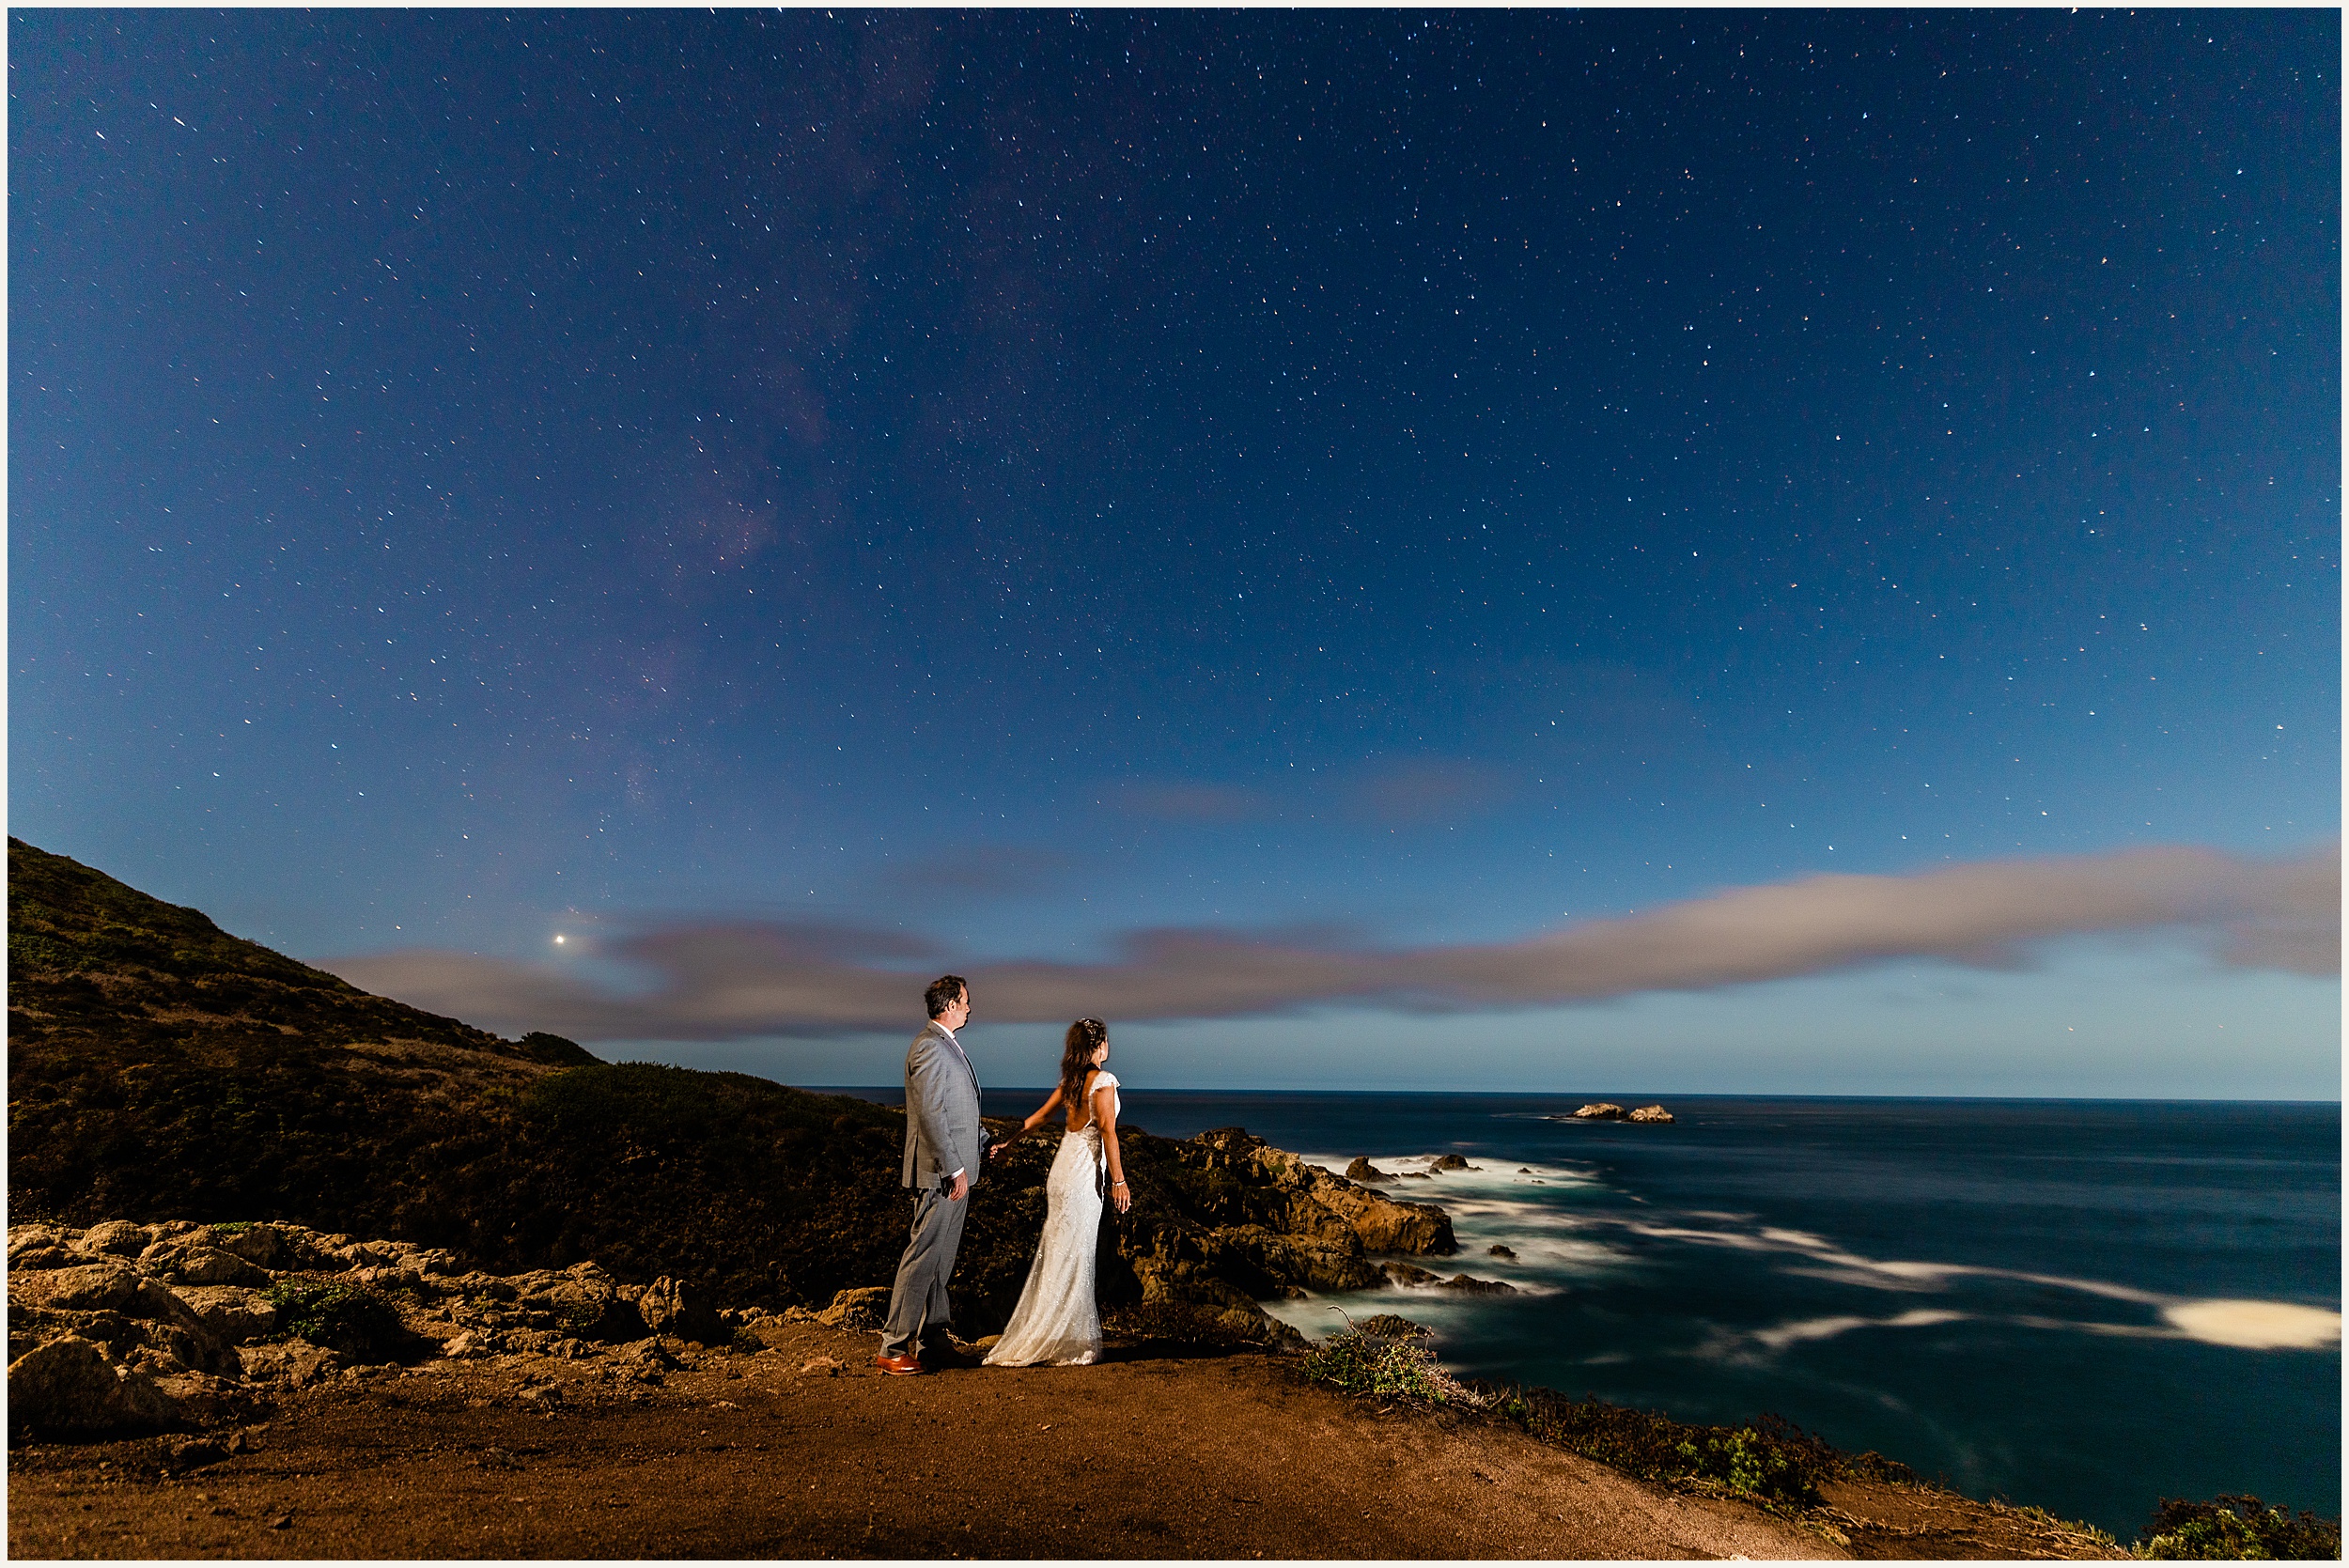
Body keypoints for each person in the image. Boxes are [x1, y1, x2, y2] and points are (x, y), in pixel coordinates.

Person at [982, 1017, 1129, 1368]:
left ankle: (1051, 1333)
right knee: (1076, 1255)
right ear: (1099, 1047)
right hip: (1082, 1177)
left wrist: (1008, 1144)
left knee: (1058, 1252)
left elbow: (1039, 1118)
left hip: (1061, 1171)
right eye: (1106, 1042)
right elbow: (1108, 1133)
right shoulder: (1104, 1082)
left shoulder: (1072, 1082)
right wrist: (1119, 1181)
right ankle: (1068, 1340)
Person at [875, 974, 983, 1375]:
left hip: (959, 1172)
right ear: (950, 1005)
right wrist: (953, 1168)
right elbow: (931, 1115)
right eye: (966, 1001)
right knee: (922, 1257)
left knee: (942, 1260)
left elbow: (957, 1109)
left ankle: (932, 1340)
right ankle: (892, 1346)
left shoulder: (945, 1046)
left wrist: (984, 1141)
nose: (970, 1008)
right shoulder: (928, 1047)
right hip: (942, 1174)